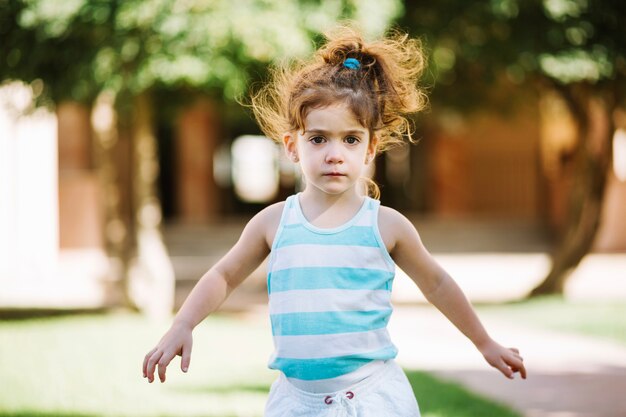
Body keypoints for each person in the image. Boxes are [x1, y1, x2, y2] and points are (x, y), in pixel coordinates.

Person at [142, 25, 526, 416]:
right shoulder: (273, 223)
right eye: (318, 139)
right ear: (293, 146)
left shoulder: (386, 226)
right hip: (295, 402)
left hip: (371, 398)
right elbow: (223, 276)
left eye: (351, 139)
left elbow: (437, 283)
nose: (335, 154)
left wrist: (485, 343)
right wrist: (183, 324)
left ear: (371, 147)